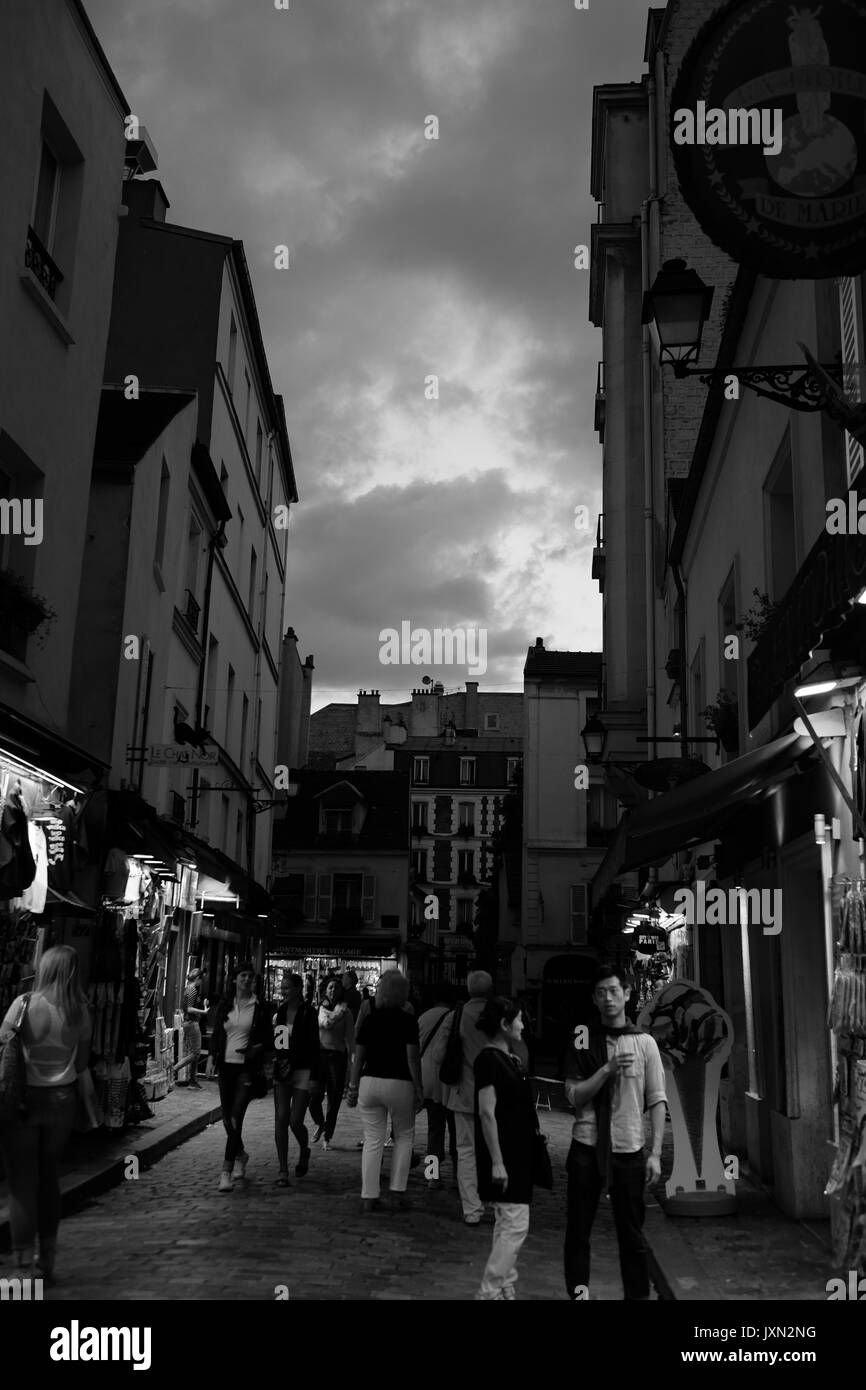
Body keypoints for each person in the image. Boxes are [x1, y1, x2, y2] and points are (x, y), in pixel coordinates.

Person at [563, 962, 666, 1301]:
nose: (609, 998)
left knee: (632, 1235)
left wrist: (655, 1154)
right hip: (586, 1147)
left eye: (614, 991)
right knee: (578, 1232)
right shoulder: (583, 1039)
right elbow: (574, 1096)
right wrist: (606, 1069)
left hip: (628, 1150)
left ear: (627, 994)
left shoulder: (645, 1043)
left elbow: (656, 1099)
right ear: (594, 998)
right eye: (601, 992)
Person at [0, 945, 93, 1280]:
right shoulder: (81, 1011)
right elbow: (82, 1064)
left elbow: (4, 1046)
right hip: (62, 1101)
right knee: (48, 1178)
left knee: (21, 1185)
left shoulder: (24, 1004)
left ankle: (23, 1263)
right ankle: (48, 1258)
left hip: (23, 1101)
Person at [473, 996, 539, 1300]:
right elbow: (486, 1112)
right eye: (519, 1019)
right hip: (505, 1155)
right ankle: (489, 1292)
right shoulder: (488, 1060)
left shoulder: (506, 1058)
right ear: (504, 1024)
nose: (523, 1025)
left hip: (516, 1152)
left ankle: (503, 1288)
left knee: (507, 1223)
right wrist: (497, 1161)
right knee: (514, 1225)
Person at [346, 969, 423, 1213]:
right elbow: (412, 1059)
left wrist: (353, 1086)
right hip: (400, 1082)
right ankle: (397, 1192)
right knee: (404, 1136)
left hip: (370, 1082)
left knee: (372, 1139)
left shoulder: (370, 1019)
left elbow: (359, 1058)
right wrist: (419, 1087)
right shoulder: (409, 1021)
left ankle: (369, 1195)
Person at [430, 969, 493, 1225]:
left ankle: (472, 1208)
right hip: (496, 1094)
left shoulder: (456, 1016)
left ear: (468, 989)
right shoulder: (501, 1013)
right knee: (492, 1149)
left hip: (464, 1093)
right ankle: (493, 1200)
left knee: (465, 1151)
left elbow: (437, 1054)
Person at [205, 962, 271, 1193]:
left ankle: (226, 1172)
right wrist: (212, 1057)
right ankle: (241, 1154)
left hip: (246, 1068)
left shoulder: (260, 1006)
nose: (246, 979)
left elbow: (270, 1038)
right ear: (234, 979)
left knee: (235, 1118)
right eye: (242, 975)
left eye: (250, 976)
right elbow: (217, 1034)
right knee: (226, 1118)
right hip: (226, 1066)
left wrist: (256, 1049)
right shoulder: (225, 1004)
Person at [272, 972, 319, 1186]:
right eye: (282, 987)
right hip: (284, 1071)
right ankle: (283, 1169)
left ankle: (304, 1148)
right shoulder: (281, 1011)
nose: (283, 991)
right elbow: (280, 1043)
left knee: (295, 1121)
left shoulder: (309, 1013)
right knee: (281, 1118)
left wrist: (314, 1078)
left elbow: (313, 1046)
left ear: (299, 989)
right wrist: (281, 1059)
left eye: (287, 987)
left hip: (303, 1071)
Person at [418, 983, 457, 1191]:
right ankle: (459, 1176)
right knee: (456, 1131)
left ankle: (432, 1176)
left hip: (427, 1080)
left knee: (434, 1130)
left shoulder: (423, 1017)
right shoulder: (456, 1017)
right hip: (450, 1081)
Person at [308, 979, 355, 1149]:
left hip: (337, 1057)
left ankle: (328, 1135)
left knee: (334, 1100)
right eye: (330, 987)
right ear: (325, 990)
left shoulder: (346, 1013)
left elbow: (350, 1038)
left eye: (336, 987)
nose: (333, 990)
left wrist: (352, 1062)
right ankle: (320, 1123)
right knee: (314, 1097)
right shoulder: (318, 1010)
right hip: (320, 1057)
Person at [179, 967, 208, 1088]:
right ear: (197, 978)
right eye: (201, 980)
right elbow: (189, 1009)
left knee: (194, 1053)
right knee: (196, 1053)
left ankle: (193, 1080)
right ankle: (174, 1068)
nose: (201, 982)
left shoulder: (188, 988)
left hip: (189, 1022)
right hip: (191, 1022)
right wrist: (204, 1011)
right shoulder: (192, 989)